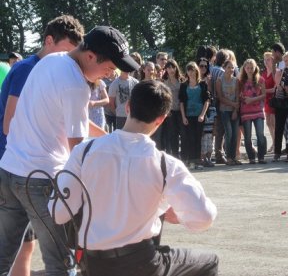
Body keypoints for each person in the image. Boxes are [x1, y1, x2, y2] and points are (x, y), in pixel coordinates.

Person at [0, 25, 140, 276]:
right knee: (62, 262)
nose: (110, 74)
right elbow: (77, 150)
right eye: (109, 67)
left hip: (9, 170)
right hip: (40, 179)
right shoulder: (76, 84)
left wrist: (112, 139)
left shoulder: (51, 61)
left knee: (3, 254)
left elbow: (73, 122)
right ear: (90, 56)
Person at [50, 80, 218, 276]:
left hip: (94, 263)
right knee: (209, 262)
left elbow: (58, 213)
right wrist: (179, 214)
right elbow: (204, 218)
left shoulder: (84, 151)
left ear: (128, 106)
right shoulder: (165, 164)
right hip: (141, 263)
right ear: (161, 119)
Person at [0, 15, 84, 276]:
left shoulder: (41, 68)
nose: (72, 59)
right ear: (49, 41)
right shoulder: (29, 68)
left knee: (22, 248)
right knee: (53, 255)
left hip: (18, 169)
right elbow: (9, 123)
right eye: (68, 50)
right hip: (25, 170)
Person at [179, 62, 210, 169]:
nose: (191, 73)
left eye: (193, 70)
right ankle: (190, 161)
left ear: (196, 71)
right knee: (190, 138)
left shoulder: (202, 84)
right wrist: (183, 117)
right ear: (186, 72)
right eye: (189, 70)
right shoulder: (183, 85)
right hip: (187, 115)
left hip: (199, 115)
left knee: (198, 138)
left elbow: (207, 100)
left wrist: (202, 114)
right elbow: (181, 102)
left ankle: (197, 161)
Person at [239, 59, 267, 164]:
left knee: (260, 134)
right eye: (248, 68)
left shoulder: (260, 80)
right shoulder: (240, 81)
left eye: (252, 68)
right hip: (246, 112)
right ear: (244, 69)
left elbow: (264, 95)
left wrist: (252, 100)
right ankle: (251, 157)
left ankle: (261, 156)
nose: (250, 70)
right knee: (247, 136)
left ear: (255, 68)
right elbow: (239, 95)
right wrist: (243, 98)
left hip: (258, 111)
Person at [216, 59, 240, 165]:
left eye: (232, 67)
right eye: (229, 67)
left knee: (235, 133)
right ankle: (229, 157)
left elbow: (238, 96)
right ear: (224, 68)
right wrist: (233, 104)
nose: (231, 69)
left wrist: (235, 109)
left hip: (234, 110)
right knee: (229, 133)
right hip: (224, 110)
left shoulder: (236, 80)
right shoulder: (219, 80)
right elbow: (220, 97)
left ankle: (233, 157)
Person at [161, 59, 183, 157]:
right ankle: (175, 155)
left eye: (173, 67)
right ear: (166, 69)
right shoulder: (164, 82)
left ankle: (184, 155)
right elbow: (163, 98)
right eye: (169, 67)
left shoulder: (182, 80)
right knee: (173, 135)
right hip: (170, 112)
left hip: (181, 110)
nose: (171, 70)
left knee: (183, 133)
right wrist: (166, 110)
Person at [261, 52, 276, 152]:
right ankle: (274, 142)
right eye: (265, 60)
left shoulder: (276, 72)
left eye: (268, 59)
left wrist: (263, 91)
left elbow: (275, 89)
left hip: (274, 100)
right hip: (266, 100)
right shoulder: (263, 73)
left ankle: (276, 143)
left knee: (274, 123)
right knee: (268, 123)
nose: (266, 62)